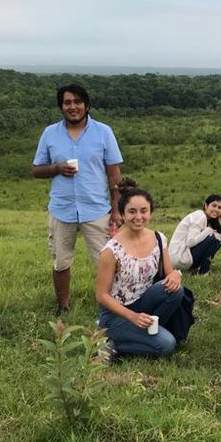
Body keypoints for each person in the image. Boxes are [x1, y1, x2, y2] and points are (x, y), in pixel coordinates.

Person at [32, 83, 124, 314]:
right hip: (62, 209)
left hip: (97, 208)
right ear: (61, 106)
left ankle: (112, 306)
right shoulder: (50, 133)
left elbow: (113, 174)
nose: (73, 107)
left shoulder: (104, 132)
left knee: (107, 261)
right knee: (61, 262)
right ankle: (62, 306)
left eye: (77, 102)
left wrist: (116, 209)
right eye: (67, 102)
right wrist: (56, 168)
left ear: (86, 104)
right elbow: (37, 170)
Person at [95, 184, 185, 358]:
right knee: (167, 345)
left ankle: (147, 332)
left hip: (143, 302)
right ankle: (110, 342)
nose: (138, 217)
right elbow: (101, 295)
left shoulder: (159, 238)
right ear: (122, 214)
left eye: (144, 211)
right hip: (116, 313)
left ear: (150, 213)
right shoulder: (112, 250)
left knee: (176, 290)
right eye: (132, 212)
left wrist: (175, 274)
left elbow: (169, 275)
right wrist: (133, 317)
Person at [168, 194, 221, 274]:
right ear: (206, 206)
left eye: (219, 207)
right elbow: (190, 242)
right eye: (214, 205)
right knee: (214, 238)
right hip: (178, 258)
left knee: (217, 238)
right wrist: (208, 231)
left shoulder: (207, 220)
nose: (216, 209)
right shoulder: (200, 216)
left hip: (181, 257)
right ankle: (204, 272)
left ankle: (197, 269)